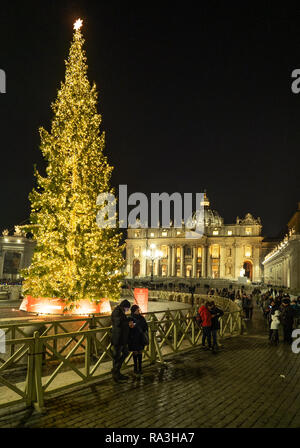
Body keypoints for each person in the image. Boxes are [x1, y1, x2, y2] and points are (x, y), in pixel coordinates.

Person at [111, 299, 134, 382]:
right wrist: (128, 322)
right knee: (117, 356)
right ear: (124, 306)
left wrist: (128, 320)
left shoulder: (120, 311)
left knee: (125, 353)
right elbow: (118, 323)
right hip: (118, 338)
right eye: (127, 308)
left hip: (122, 338)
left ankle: (117, 370)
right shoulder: (116, 311)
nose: (127, 310)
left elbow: (122, 321)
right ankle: (116, 373)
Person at [128, 305, 148, 375]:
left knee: (140, 352)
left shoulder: (142, 317)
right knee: (135, 352)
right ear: (133, 311)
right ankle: (135, 368)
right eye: (137, 310)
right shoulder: (130, 318)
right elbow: (130, 328)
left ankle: (140, 367)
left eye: (138, 310)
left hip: (140, 337)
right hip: (133, 338)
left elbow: (145, 326)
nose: (138, 311)